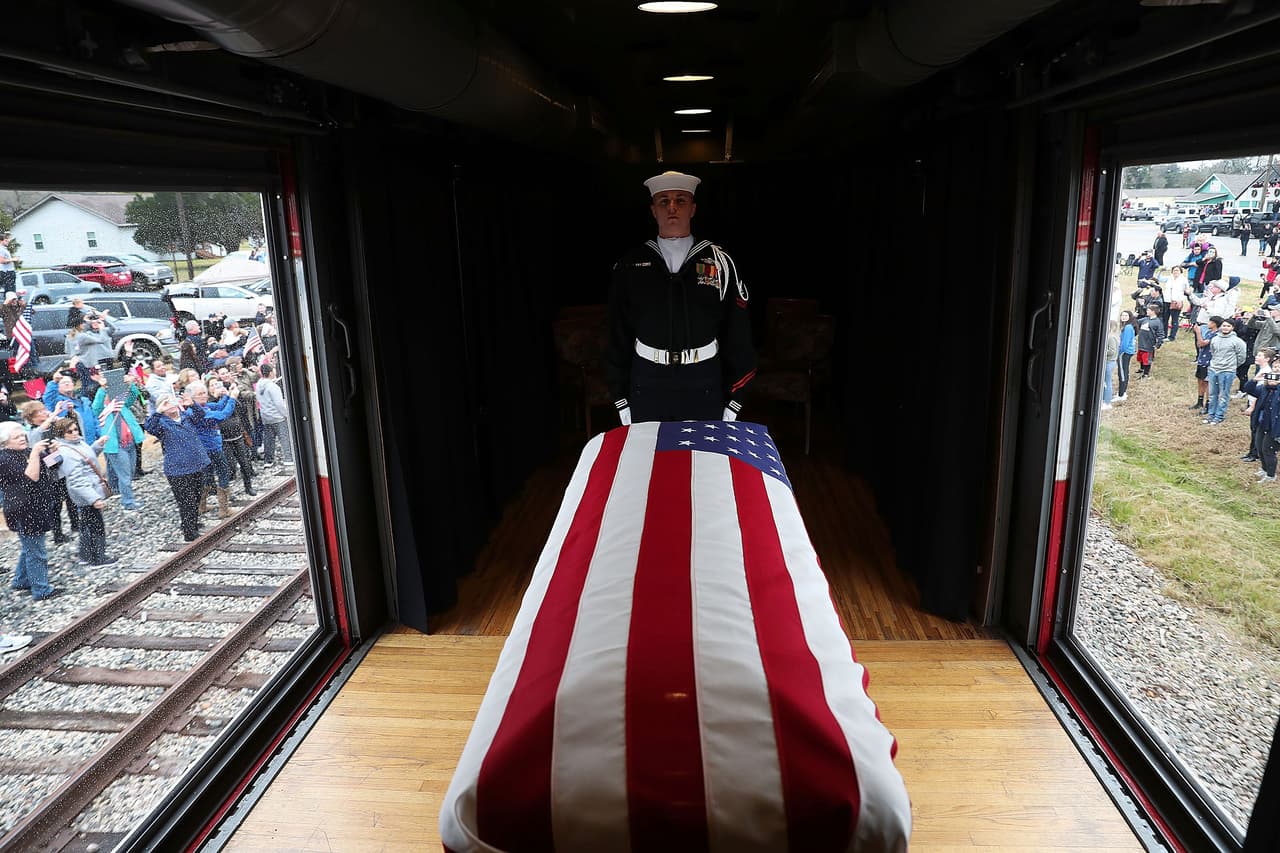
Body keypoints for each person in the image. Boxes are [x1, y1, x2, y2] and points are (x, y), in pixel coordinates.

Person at [606, 171, 756, 424]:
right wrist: (620, 397)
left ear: (693, 209)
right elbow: (616, 333)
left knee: (704, 460)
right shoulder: (630, 266)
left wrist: (735, 397)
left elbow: (738, 331)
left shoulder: (720, 263)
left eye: (680, 200)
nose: (672, 207)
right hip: (648, 382)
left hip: (703, 382)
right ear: (653, 210)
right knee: (650, 461)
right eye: (664, 201)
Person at [0, 421, 62, 601]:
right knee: (37, 552)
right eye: (16, 437)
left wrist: (54, 453)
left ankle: (21, 580)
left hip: (38, 506)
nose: (22, 439)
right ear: (5, 441)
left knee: (30, 546)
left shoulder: (27, 451)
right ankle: (41, 590)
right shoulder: (4, 459)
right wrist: (35, 454)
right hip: (22, 510)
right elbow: (31, 477)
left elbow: (54, 465)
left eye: (22, 435)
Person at [48, 416, 115, 568]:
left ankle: (85, 555)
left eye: (75, 429)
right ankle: (98, 558)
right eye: (69, 431)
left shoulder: (77, 443)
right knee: (95, 526)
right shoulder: (67, 452)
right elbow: (76, 479)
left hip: (88, 490)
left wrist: (98, 445)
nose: (74, 433)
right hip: (87, 492)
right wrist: (94, 499)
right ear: (61, 434)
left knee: (85, 524)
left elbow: (87, 457)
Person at [145, 394, 212, 542]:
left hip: (197, 463)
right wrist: (158, 411)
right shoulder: (162, 423)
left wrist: (192, 404)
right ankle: (189, 533)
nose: (171, 405)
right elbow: (149, 427)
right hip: (178, 469)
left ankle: (191, 523)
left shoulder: (186, 416)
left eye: (172, 402)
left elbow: (202, 416)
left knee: (196, 497)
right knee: (185, 500)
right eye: (167, 403)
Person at [92, 375, 145, 511]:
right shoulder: (103, 412)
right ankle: (128, 502)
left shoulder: (122, 406)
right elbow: (96, 406)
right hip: (116, 447)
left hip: (130, 443)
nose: (110, 397)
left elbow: (133, 396)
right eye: (107, 396)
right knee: (125, 475)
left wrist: (130, 384)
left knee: (130, 472)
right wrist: (103, 389)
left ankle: (128, 497)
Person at [185, 380, 236, 518]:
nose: (204, 396)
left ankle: (202, 506)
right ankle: (224, 509)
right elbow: (223, 414)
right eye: (200, 394)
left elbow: (219, 406)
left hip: (208, 447)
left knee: (207, 476)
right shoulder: (196, 412)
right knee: (223, 472)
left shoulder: (204, 406)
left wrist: (226, 395)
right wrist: (233, 398)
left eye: (204, 392)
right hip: (210, 448)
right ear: (192, 398)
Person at [212, 379, 256, 497]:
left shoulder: (230, 399)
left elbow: (241, 409)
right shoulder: (210, 403)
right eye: (214, 386)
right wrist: (216, 397)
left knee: (245, 463)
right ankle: (227, 492)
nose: (218, 388)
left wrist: (230, 395)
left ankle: (248, 487)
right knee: (229, 466)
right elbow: (216, 411)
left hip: (237, 436)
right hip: (224, 440)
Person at [1205, 317, 1247, 425]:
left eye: (1228, 326)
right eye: (1224, 325)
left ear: (1232, 328)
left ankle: (1219, 415)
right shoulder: (1215, 339)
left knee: (1223, 394)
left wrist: (1231, 366)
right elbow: (1213, 352)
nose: (1225, 328)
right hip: (1214, 369)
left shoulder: (1237, 342)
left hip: (1227, 371)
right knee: (1212, 394)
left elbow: (1241, 357)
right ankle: (1211, 414)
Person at [254, 362, 293, 465]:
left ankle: (268, 460)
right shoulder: (274, 387)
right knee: (284, 438)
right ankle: (288, 459)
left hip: (266, 417)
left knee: (269, 440)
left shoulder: (259, 385)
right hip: (277, 417)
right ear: (271, 372)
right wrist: (286, 414)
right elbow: (279, 404)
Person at [1190, 317, 1218, 414]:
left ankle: (1208, 404)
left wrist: (1198, 332)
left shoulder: (1216, 335)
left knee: (1207, 383)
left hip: (1209, 362)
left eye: (1210, 322)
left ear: (1214, 324)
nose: (1208, 323)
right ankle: (1200, 401)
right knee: (1200, 381)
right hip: (1202, 360)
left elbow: (1201, 343)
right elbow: (1199, 344)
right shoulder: (1209, 333)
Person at [1164, 264, 1188, 341]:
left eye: (1177, 270)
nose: (1175, 272)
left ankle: (1172, 336)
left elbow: (1186, 291)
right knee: (1165, 318)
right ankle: (1164, 335)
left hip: (1176, 301)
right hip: (1167, 300)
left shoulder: (1183, 280)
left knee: (1174, 319)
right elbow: (1159, 278)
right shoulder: (1169, 278)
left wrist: (1180, 300)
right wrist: (1162, 270)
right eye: (1174, 270)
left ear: (1180, 271)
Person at [1116, 310, 1136, 400]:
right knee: (1125, 371)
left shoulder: (1128, 327)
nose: (1123, 317)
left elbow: (1125, 343)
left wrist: (1120, 352)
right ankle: (1122, 392)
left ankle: (1121, 394)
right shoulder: (1127, 326)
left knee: (1122, 373)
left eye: (1126, 315)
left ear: (1130, 317)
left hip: (1125, 352)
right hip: (1128, 352)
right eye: (1122, 315)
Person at [1102, 328, 1118, 410]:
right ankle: (1104, 400)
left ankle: (1107, 402)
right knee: (1104, 382)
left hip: (1109, 362)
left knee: (1107, 383)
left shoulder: (1110, 338)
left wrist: (1102, 351)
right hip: (1108, 362)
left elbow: (1112, 351)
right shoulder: (1108, 337)